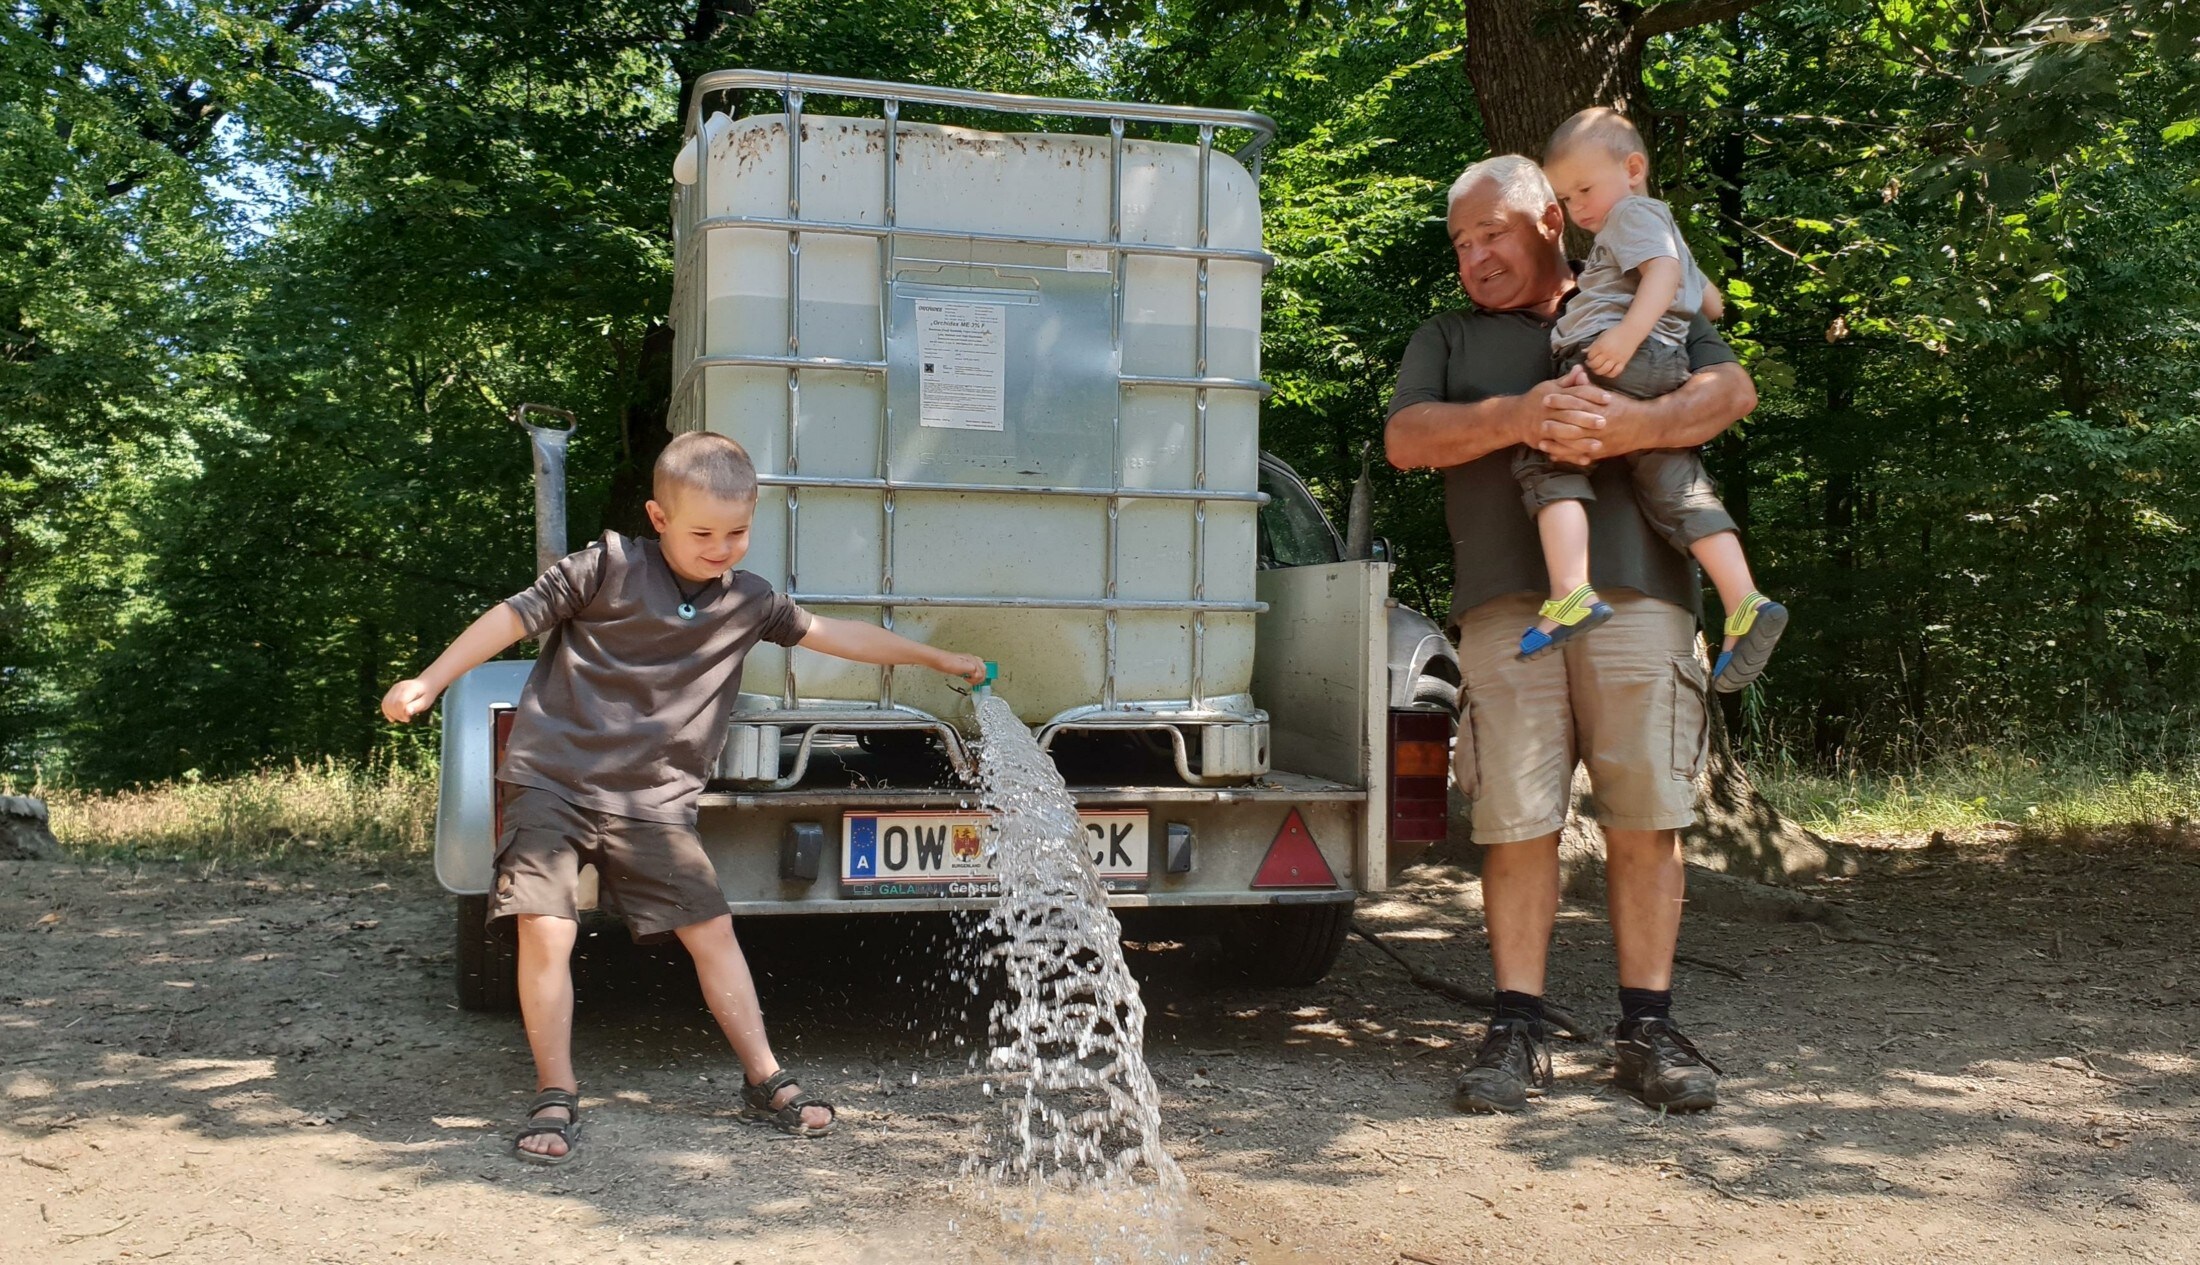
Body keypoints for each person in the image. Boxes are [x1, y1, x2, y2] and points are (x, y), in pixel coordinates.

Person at [381, 431, 988, 1163]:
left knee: (712, 931)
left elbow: (836, 634)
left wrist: (932, 656)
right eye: (703, 532)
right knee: (549, 926)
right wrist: (432, 678)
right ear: (658, 517)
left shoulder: (749, 601)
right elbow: (512, 615)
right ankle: (555, 1090)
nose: (722, 547)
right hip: (554, 779)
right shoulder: (606, 568)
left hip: (654, 801)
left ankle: (765, 1078)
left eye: (738, 531)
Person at [1385, 153, 1759, 1113]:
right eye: (1461, 244)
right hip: (1509, 613)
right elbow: (1407, 439)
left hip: (1644, 599)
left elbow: (1731, 394)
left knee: (1648, 814)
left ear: (1552, 220)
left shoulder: (1639, 298)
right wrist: (1519, 413)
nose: (1476, 257)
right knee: (1515, 821)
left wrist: (1626, 428)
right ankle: (1516, 1026)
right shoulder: (1449, 335)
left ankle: (1649, 1026)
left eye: (1492, 234)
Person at [1511, 108, 1785, 691]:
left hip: (1617, 354)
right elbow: (1708, 303)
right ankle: (1744, 599)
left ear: (1633, 168)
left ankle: (1569, 594)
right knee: (1673, 476)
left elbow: (1661, 277)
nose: (1579, 207)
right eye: (1567, 195)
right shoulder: (1662, 227)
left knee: (1547, 450)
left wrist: (1624, 334)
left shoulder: (1632, 215)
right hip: (1666, 365)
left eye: (1586, 188)